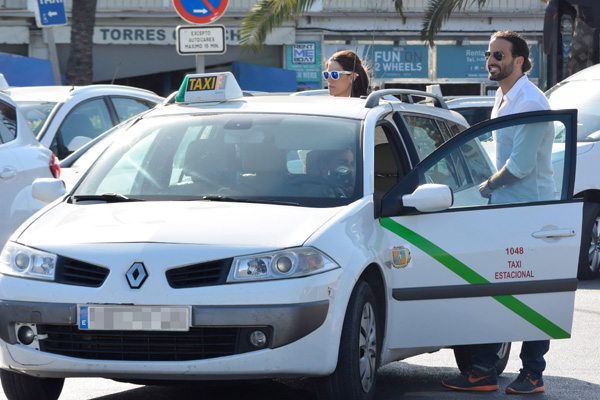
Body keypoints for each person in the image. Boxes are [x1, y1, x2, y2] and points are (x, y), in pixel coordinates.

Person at [441, 30, 554, 395]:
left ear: (519, 61)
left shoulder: (532, 103)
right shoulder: (502, 97)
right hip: (505, 213)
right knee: (496, 291)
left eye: (499, 56)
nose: (491, 61)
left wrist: (483, 189)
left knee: (532, 295)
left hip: (531, 213)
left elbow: (519, 167)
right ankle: (484, 371)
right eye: (489, 55)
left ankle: (533, 374)